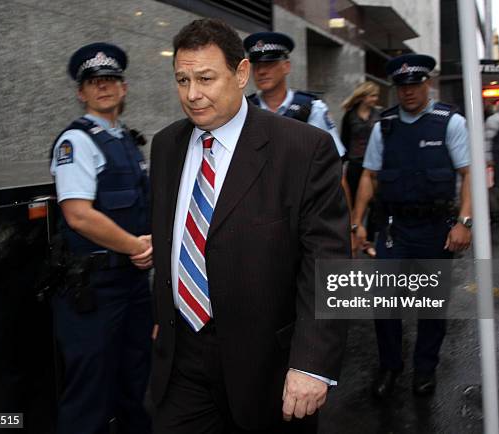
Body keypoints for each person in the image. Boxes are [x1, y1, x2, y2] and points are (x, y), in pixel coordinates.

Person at [147, 18, 349, 433]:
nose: (192, 94)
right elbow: (175, 238)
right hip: (183, 360)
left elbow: (326, 262)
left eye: (205, 78)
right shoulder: (167, 146)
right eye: (182, 79)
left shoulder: (302, 149)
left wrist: (312, 363)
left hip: (267, 371)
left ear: (240, 74)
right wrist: (163, 311)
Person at [351, 53, 472, 399]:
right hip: (393, 229)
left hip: (436, 228)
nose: (408, 92)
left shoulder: (449, 123)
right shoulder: (383, 126)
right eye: (401, 86)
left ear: (427, 84)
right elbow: (369, 178)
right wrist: (357, 223)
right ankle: (390, 367)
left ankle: (425, 370)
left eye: (415, 84)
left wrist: (464, 223)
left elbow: (468, 176)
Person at [49, 42, 153, 434]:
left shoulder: (127, 141)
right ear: (81, 92)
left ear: (124, 88)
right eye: (94, 82)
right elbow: (79, 216)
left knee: (134, 384)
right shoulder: (75, 142)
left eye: (110, 79)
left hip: (131, 284)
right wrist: (138, 247)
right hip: (92, 291)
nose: (103, 87)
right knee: (89, 396)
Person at [242, 31, 347, 159]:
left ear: (286, 67)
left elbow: (333, 158)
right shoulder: (245, 109)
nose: (261, 71)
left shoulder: (312, 109)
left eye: (269, 64)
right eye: (256, 66)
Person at [340, 81, 381, 256]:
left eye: (376, 96)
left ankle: (369, 241)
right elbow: (343, 140)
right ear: (364, 96)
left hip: (373, 165)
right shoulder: (349, 116)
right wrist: (340, 165)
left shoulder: (378, 114)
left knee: (374, 204)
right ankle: (354, 238)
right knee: (355, 206)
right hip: (355, 165)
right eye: (372, 95)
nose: (375, 99)